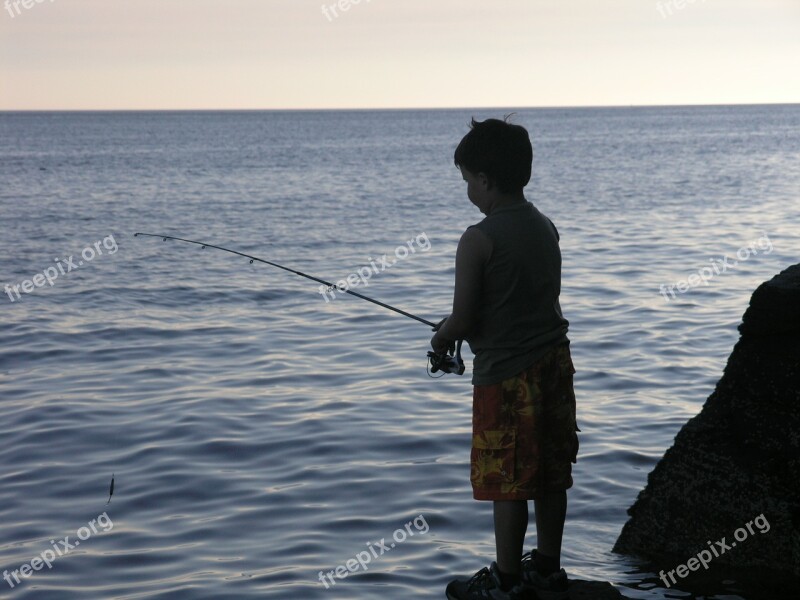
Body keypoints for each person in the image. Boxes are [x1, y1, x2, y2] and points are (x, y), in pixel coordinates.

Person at [431, 117, 579, 600]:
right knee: (552, 471)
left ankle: (508, 579)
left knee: (507, 480)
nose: (468, 191)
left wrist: (440, 339)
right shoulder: (546, 227)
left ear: (485, 181)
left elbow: (462, 320)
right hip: (555, 367)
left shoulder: (478, 239)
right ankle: (550, 567)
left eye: (467, 182)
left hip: (505, 379)